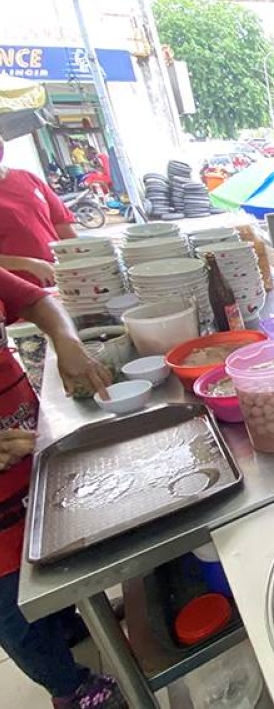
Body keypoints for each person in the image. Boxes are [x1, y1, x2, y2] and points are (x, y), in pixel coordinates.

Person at [0, 267, 121, 709]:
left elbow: (36, 300)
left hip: (29, 470)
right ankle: (69, 688)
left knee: (47, 565)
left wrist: (65, 339)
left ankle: (68, 623)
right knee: (15, 614)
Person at [0, 135, 78, 287]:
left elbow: (61, 225)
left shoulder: (28, 178)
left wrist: (83, 259)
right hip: (18, 291)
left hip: (61, 280)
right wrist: (29, 264)